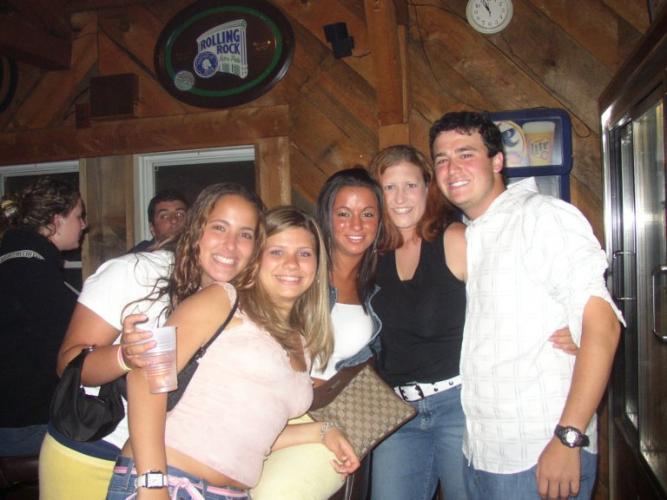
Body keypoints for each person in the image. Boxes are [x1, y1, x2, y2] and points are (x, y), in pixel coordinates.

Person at [429, 110, 623, 500]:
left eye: (466, 154)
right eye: (441, 159)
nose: (452, 169)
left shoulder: (542, 216)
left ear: (497, 161)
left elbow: (603, 326)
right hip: (482, 451)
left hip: (540, 453)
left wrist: (568, 437)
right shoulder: (474, 235)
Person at [106, 206, 360, 500]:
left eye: (304, 253)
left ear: (317, 265)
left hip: (230, 494)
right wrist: (152, 485)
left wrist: (321, 431)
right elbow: (144, 378)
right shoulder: (222, 298)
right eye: (277, 252)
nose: (292, 264)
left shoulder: (302, 342)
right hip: (172, 482)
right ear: (256, 258)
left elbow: (253, 434)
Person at [39, 183, 265, 500]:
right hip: (94, 450)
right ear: (196, 229)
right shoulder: (134, 273)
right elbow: (68, 362)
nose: (230, 245)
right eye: (219, 227)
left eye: (245, 234)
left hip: (175, 467)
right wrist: (124, 357)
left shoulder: (245, 305)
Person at [251, 167, 384, 500]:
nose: (357, 225)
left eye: (368, 214)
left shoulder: (378, 285)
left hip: (333, 416)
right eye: (344, 213)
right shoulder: (297, 272)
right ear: (327, 216)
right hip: (272, 409)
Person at [367, 145, 468, 500]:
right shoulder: (372, 254)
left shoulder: (455, 240)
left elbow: (511, 299)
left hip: (458, 406)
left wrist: (565, 325)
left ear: (428, 188)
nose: (400, 198)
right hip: (398, 412)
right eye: (389, 187)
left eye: (410, 185)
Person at [0, 176, 86, 456]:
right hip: (24, 425)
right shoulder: (36, 275)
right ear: (56, 221)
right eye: (78, 216)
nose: (83, 225)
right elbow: (73, 353)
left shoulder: (14, 262)